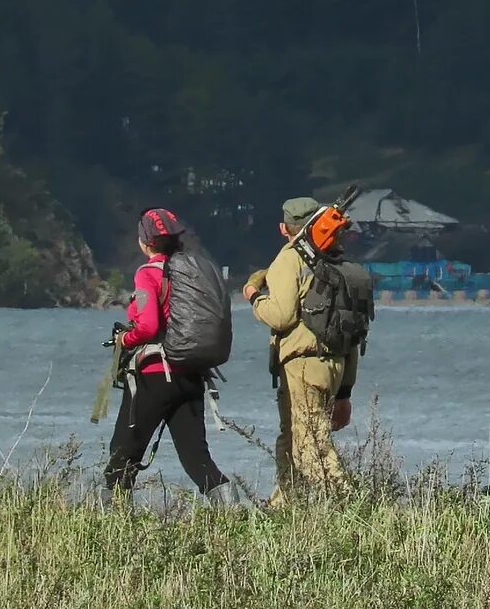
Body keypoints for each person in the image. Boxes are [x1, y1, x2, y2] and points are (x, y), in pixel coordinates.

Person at [103, 208, 237, 505]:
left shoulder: (147, 273)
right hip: (190, 374)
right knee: (197, 459)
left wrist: (126, 338)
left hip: (153, 377)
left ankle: (111, 529)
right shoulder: (193, 273)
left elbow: (148, 326)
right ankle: (233, 517)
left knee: (122, 456)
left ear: (146, 242)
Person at [243, 197, 360, 505]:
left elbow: (281, 315)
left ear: (284, 228)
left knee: (311, 445)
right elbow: (350, 332)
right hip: (334, 363)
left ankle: (350, 508)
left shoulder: (291, 259)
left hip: (302, 364)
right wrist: (345, 392)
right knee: (293, 436)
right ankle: (284, 503)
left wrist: (254, 297)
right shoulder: (336, 261)